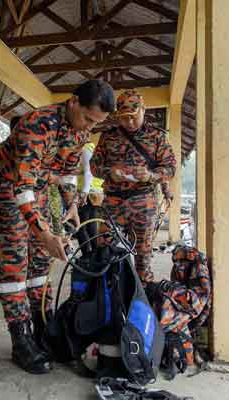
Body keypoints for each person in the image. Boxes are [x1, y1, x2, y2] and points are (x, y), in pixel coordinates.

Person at [0, 80, 114, 374]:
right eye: (87, 118)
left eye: (96, 124)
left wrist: (71, 205)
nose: (88, 127)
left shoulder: (80, 131)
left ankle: (42, 327)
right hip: (10, 190)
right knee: (16, 265)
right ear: (73, 102)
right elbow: (23, 186)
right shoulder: (37, 125)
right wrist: (42, 232)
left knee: (42, 262)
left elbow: (68, 173)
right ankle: (20, 339)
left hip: (41, 191)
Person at [91, 89, 177, 285]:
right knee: (105, 251)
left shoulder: (157, 137)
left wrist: (151, 175)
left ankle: (142, 300)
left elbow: (170, 168)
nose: (129, 122)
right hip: (113, 202)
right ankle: (108, 296)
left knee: (143, 256)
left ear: (144, 110)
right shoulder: (108, 137)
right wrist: (109, 172)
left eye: (133, 117)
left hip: (144, 203)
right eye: (124, 118)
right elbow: (94, 166)